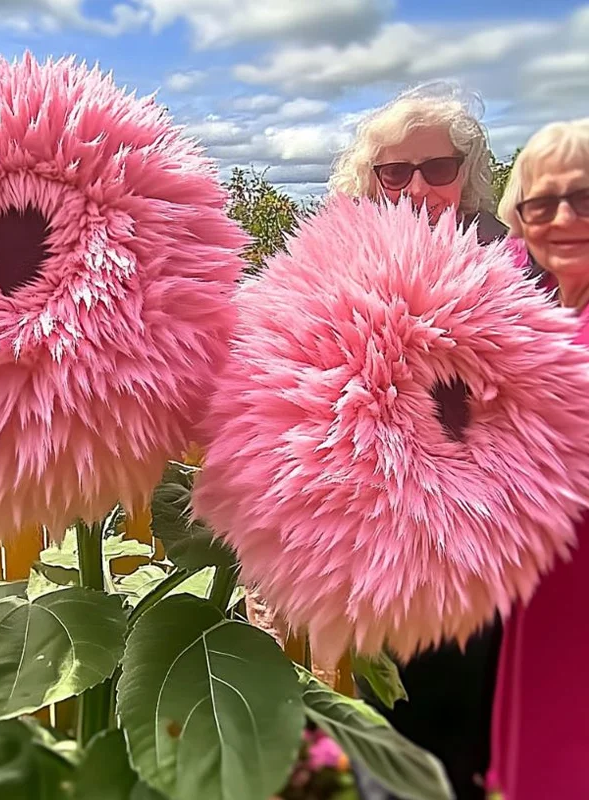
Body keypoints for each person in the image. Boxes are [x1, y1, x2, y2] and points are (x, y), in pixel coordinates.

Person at [327, 83, 508, 800]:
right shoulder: (338, 261)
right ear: (367, 181)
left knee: (474, 717)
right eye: (394, 172)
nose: (417, 187)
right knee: (394, 717)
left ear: (467, 173)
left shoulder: (510, 260)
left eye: (438, 168)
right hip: (381, 534)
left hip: (487, 535)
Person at [488, 119, 589, 800]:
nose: (563, 218)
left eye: (585, 197)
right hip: (550, 578)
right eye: (540, 203)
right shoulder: (544, 314)